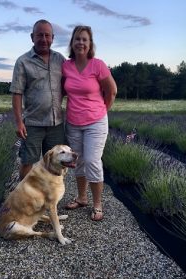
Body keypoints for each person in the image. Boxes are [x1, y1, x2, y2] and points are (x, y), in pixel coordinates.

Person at [62, 25, 117, 221]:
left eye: (84, 39)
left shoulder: (98, 65)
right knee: (77, 161)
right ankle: (81, 198)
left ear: (90, 43)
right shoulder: (66, 66)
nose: (80, 43)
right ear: (72, 42)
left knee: (93, 161)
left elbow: (112, 91)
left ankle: (97, 204)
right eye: (77, 39)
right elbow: (62, 90)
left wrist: (102, 111)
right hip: (73, 122)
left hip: (95, 122)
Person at [10, 19, 65, 180]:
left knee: (56, 164)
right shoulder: (23, 61)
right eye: (39, 35)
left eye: (47, 35)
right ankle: (23, 200)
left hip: (56, 124)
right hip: (33, 124)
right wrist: (19, 122)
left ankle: (50, 201)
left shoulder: (60, 60)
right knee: (28, 162)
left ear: (53, 38)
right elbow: (17, 93)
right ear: (32, 37)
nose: (43, 39)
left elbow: (72, 84)